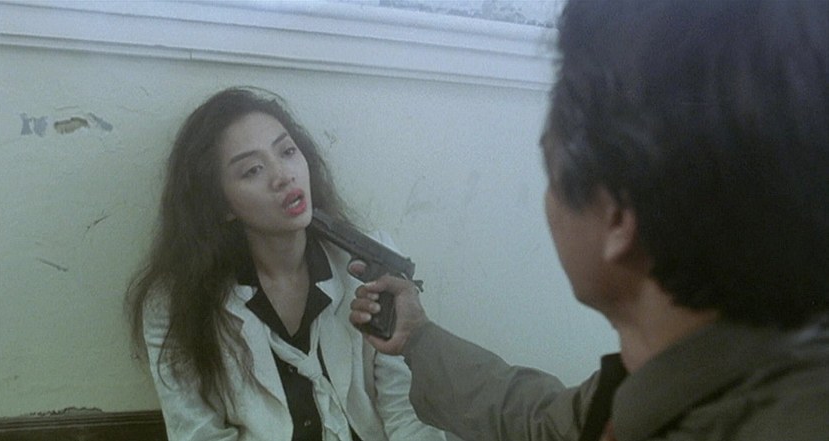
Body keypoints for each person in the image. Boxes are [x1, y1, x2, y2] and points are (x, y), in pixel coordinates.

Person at [349, 0, 829, 440]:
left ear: (617, 218)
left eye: (550, 175)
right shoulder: (699, 369)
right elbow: (543, 421)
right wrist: (418, 337)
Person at [125, 87, 448, 441]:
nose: (283, 175)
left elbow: (408, 411)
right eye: (253, 170)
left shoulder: (370, 266)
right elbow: (198, 433)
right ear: (221, 205)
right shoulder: (173, 303)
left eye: (288, 151)